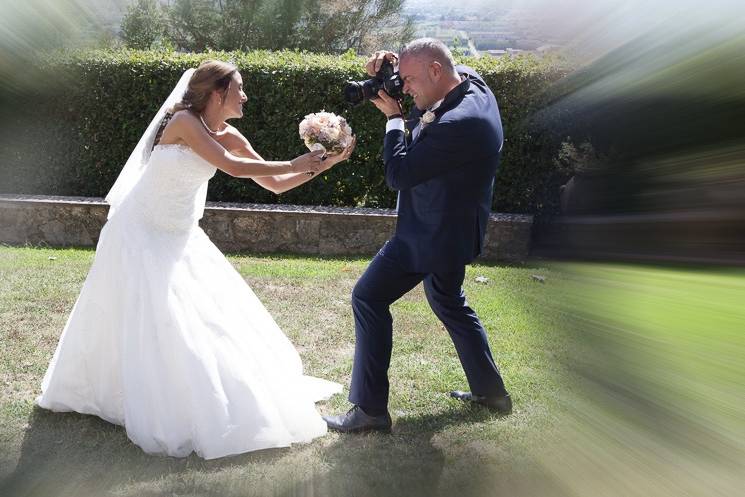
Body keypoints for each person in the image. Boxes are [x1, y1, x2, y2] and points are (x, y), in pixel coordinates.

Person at [36, 60, 354, 459]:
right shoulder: (185, 121)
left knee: (206, 319)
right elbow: (234, 168)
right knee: (146, 316)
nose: (246, 96)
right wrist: (293, 161)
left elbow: (274, 184)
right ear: (216, 93)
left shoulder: (230, 133)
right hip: (139, 231)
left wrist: (329, 163)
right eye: (239, 88)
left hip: (180, 235)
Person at [323, 39, 511, 433]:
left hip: (430, 234)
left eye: (408, 80)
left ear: (436, 72)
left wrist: (393, 116)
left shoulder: (460, 124)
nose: (404, 88)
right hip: (458, 229)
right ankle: (492, 393)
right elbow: (431, 75)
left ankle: (370, 411)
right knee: (448, 301)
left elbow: (399, 175)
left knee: (368, 296)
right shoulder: (474, 84)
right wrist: (396, 63)